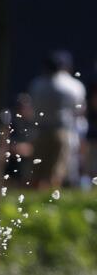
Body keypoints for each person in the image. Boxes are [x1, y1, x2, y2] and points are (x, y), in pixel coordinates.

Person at [26, 50, 86, 189]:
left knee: (36, 172)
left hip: (40, 130)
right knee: (56, 173)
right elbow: (79, 111)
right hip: (62, 131)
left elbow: (32, 106)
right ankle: (50, 203)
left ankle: (36, 201)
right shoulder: (73, 86)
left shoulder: (37, 84)